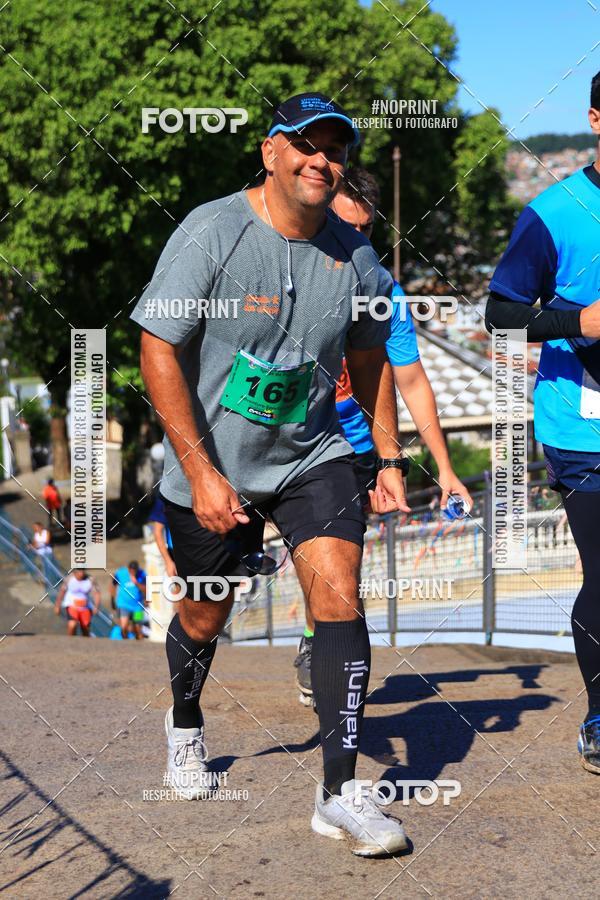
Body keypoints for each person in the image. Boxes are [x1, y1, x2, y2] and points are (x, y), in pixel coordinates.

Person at [132, 91, 413, 855]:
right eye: (307, 145)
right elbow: (158, 347)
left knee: (339, 594)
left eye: (336, 150)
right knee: (203, 615)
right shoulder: (213, 232)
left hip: (311, 455)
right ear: (271, 152)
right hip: (213, 462)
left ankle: (340, 793)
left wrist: (385, 455)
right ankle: (185, 724)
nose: (323, 161)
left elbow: (368, 356)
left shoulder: (355, 258)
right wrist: (203, 469)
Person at [293, 167, 473, 707]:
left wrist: (443, 469)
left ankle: (323, 648)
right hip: (283, 439)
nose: (354, 244)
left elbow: (413, 383)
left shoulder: (383, 293)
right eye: (342, 227)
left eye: (365, 233)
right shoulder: (288, 277)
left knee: (341, 561)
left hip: (350, 449)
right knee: (215, 595)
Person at [485, 70, 600, 774]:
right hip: (583, 427)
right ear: (595, 117)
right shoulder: (556, 211)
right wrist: (578, 321)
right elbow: (498, 312)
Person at [54, 569, 100, 637]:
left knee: (85, 628)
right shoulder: (69, 579)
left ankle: (85, 645)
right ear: (75, 571)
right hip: (72, 606)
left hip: (85, 607)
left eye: (83, 570)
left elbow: (97, 594)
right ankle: (71, 642)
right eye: (79, 571)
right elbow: (62, 592)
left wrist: (96, 607)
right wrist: (57, 606)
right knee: (72, 624)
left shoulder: (90, 579)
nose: (81, 573)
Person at [111, 560, 147, 640]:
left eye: (134, 571)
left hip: (138, 606)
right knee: (124, 626)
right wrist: (112, 599)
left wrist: (136, 583)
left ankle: (139, 644)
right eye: (131, 570)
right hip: (124, 604)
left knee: (138, 628)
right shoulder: (121, 573)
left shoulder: (142, 574)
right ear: (128, 569)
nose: (132, 572)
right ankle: (126, 643)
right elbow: (113, 585)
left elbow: (146, 589)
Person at [148, 493, 177, 578]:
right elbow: (157, 531)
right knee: (180, 587)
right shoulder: (166, 495)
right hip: (176, 552)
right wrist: (168, 562)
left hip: (204, 548)